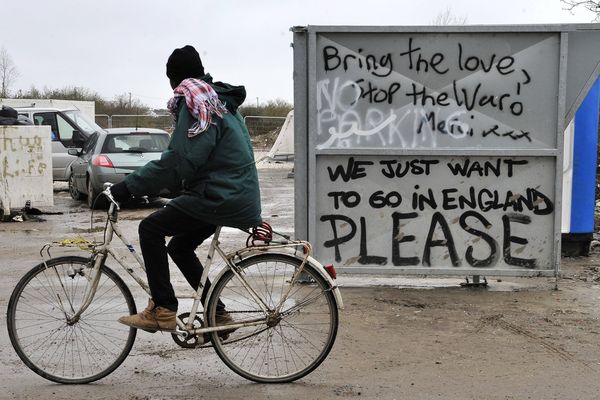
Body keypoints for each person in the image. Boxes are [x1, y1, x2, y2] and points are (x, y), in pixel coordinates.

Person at [109, 45, 262, 333]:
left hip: (220, 196)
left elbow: (179, 161)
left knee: (150, 229)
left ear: (173, 79)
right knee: (179, 246)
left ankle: (163, 310)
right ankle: (218, 314)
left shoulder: (196, 103)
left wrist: (127, 187)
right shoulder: (218, 101)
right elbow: (199, 160)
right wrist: (172, 189)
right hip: (231, 193)